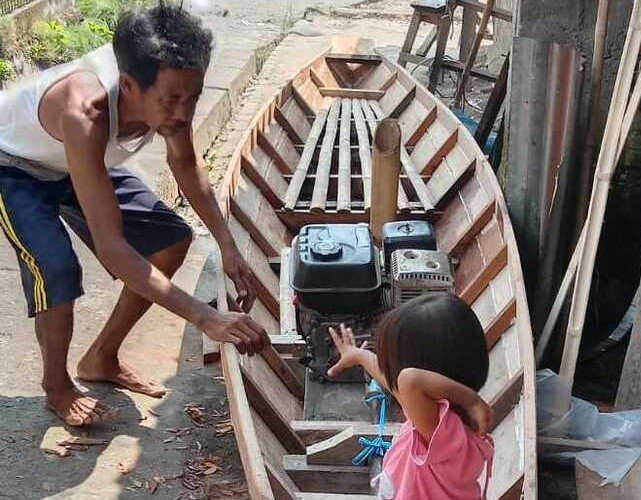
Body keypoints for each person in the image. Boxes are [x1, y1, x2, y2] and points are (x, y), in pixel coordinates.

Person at [0, 2, 269, 427]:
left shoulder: (170, 92)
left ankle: (101, 357)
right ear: (128, 86)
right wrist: (205, 316)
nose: (182, 113)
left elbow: (185, 165)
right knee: (56, 269)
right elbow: (112, 246)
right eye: (171, 100)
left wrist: (228, 245)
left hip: (83, 163)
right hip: (15, 166)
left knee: (172, 240)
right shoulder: (84, 111)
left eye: (193, 97)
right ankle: (57, 386)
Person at [328, 293, 494, 500]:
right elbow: (401, 385)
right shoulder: (440, 416)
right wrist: (360, 356)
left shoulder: (443, 433)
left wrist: (472, 400)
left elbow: (408, 380)